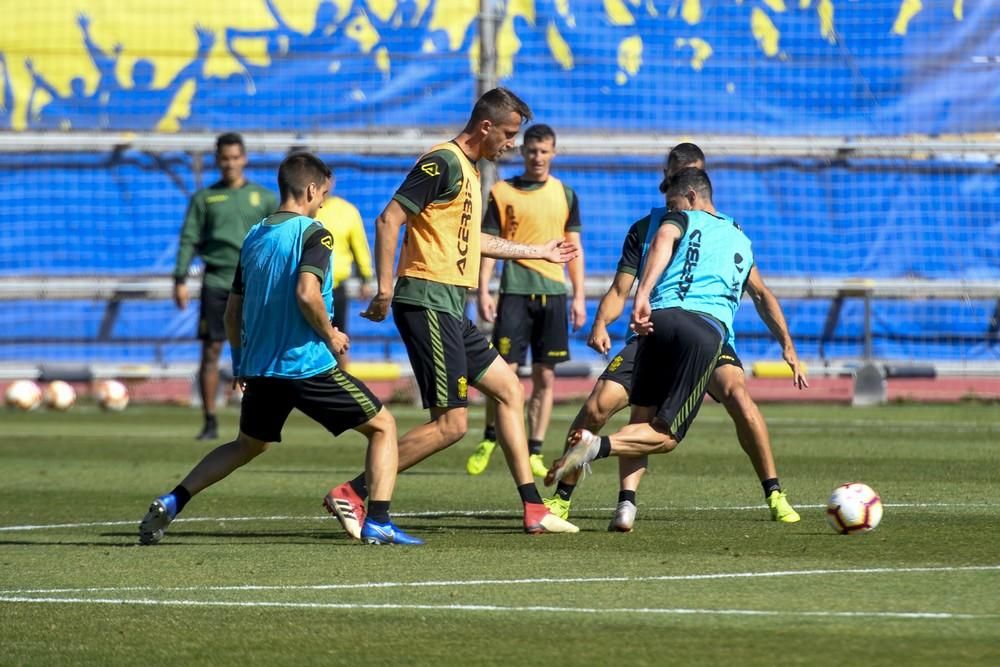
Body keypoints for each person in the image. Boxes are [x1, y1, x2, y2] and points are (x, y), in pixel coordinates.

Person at [325, 88, 579, 536]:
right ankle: (354, 492)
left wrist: (537, 251)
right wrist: (385, 289)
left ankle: (534, 508)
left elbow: (473, 242)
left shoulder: (471, 173)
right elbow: (389, 219)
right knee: (451, 426)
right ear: (486, 127)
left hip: (450, 305)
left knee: (509, 390)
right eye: (508, 133)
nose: (512, 145)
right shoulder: (441, 161)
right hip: (425, 299)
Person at [140, 152, 420, 546]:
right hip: (304, 364)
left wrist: (240, 362)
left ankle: (174, 499)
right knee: (383, 427)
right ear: (310, 189)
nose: (323, 201)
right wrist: (331, 334)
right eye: (323, 193)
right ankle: (378, 520)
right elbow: (307, 294)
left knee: (248, 444)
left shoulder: (254, 235)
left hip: (260, 367)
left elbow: (233, 313)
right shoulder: (315, 232)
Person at [548, 165, 807, 530]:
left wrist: (787, 344)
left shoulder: (725, 229)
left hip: (687, 328)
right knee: (603, 407)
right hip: (668, 322)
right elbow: (622, 286)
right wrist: (601, 322)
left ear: (692, 189)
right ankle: (576, 498)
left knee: (736, 393)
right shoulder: (649, 226)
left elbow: (760, 292)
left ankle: (774, 492)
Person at [467, 123, 585, 478]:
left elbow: (573, 249)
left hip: (553, 295)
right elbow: (489, 244)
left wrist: (578, 295)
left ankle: (535, 448)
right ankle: (491, 435)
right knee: (504, 373)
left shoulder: (566, 194)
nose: (537, 157)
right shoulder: (502, 192)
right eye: (532, 150)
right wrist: (483, 289)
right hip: (514, 293)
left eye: (544, 151)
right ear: (523, 152)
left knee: (545, 377)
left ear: (553, 153)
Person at [173, 133, 277, 440]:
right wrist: (179, 278)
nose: (230, 163)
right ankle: (210, 419)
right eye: (224, 158)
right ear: (217, 161)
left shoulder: (264, 198)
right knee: (211, 350)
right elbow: (188, 238)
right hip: (217, 281)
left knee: (261, 349)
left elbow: (277, 239)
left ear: (244, 158)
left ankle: (262, 417)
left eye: (235, 157)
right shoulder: (205, 199)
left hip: (254, 284)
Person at [314, 185, 374, 368]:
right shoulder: (306, 210)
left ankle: (343, 385)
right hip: (306, 285)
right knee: (309, 340)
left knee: (338, 337)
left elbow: (359, 245)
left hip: (335, 288)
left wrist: (366, 277)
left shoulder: (347, 211)